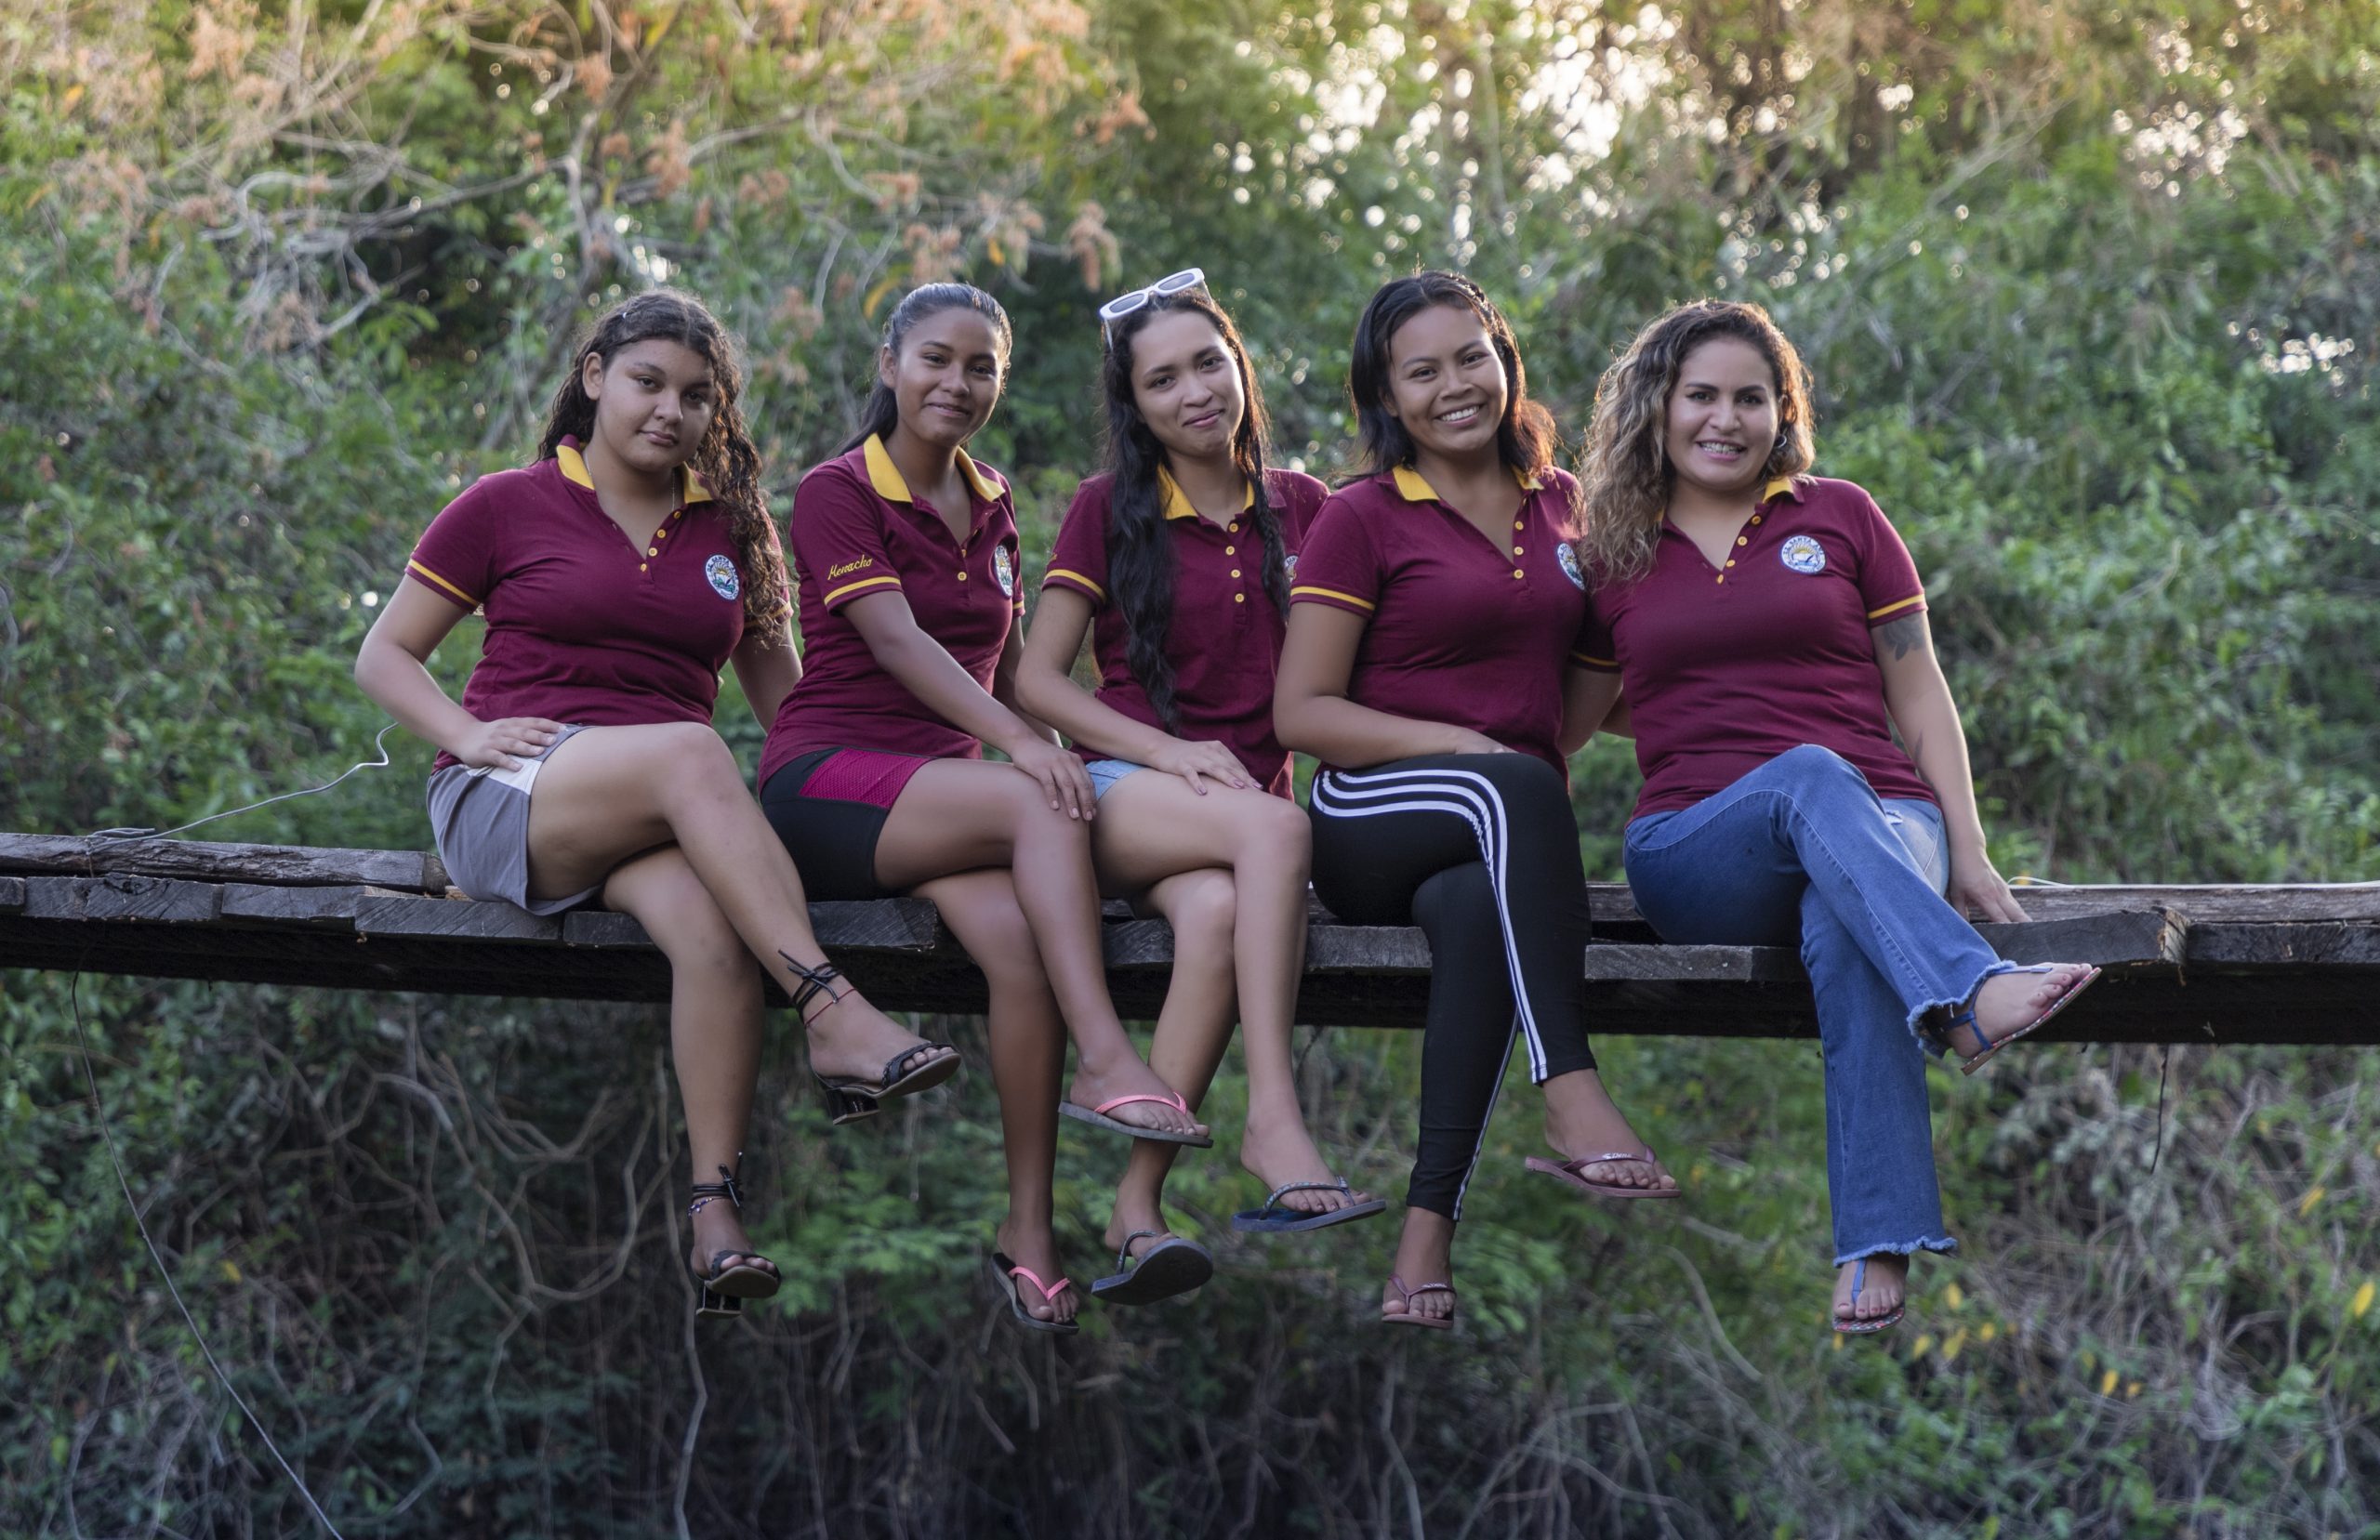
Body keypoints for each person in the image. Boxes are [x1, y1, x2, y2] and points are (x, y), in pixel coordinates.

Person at [354, 290, 959, 1318]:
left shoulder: (734, 529)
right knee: (689, 749)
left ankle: (715, 1212)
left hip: (656, 813)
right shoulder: (506, 503)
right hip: (510, 796)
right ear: (595, 377)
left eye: (696, 396)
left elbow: (793, 708)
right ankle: (833, 1011)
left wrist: (883, 796)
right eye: (647, 383)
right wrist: (466, 732)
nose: (670, 410)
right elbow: (384, 655)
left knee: (713, 930)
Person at [1574, 298, 2100, 1336]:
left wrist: (1969, 851)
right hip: (1696, 845)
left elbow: (1919, 695)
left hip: (1883, 820)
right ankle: (1967, 993)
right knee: (1806, 776)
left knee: (1841, 913)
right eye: (1701, 395)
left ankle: (1878, 1237)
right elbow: (1564, 723)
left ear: (1783, 411)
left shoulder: (1843, 517)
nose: (1725, 419)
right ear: (1658, 406)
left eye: (1751, 398)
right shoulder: (1613, 552)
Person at [757, 283, 1210, 1334]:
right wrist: (1024, 751)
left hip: (951, 800)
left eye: (980, 367)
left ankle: (1028, 1232)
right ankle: (1107, 1056)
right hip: (829, 782)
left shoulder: (993, 496)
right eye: (936, 359)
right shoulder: (835, 490)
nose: (956, 383)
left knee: (1019, 944)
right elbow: (897, 641)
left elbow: (1005, 667)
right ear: (890, 365)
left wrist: (1104, 757)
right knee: (1036, 797)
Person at [1274, 270, 1678, 1333]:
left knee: (1479, 916)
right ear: (1386, 396)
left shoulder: (1567, 504)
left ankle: (1423, 1243)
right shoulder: (1361, 517)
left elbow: (1574, 710)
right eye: (1421, 372)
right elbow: (1301, 711)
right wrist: (1460, 745)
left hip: (1495, 830)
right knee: (1517, 783)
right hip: (1366, 815)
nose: (1453, 385)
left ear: (1505, 360)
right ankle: (1570, 1088)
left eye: (1470, 357)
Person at [1014, 273, 1379, 1308]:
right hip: (1123, 794)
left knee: (1218, 910)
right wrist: (1166, 753)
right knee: (1276, 832)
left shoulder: (1305, 507)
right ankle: (1274, 1118)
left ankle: (1136, 1208)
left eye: (1208, 364)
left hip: (1232, 833)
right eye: (1163, 379)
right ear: (1136, 405)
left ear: (1239, 368)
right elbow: (1037, 681)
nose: (1194, 393)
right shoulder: (1106, 509)